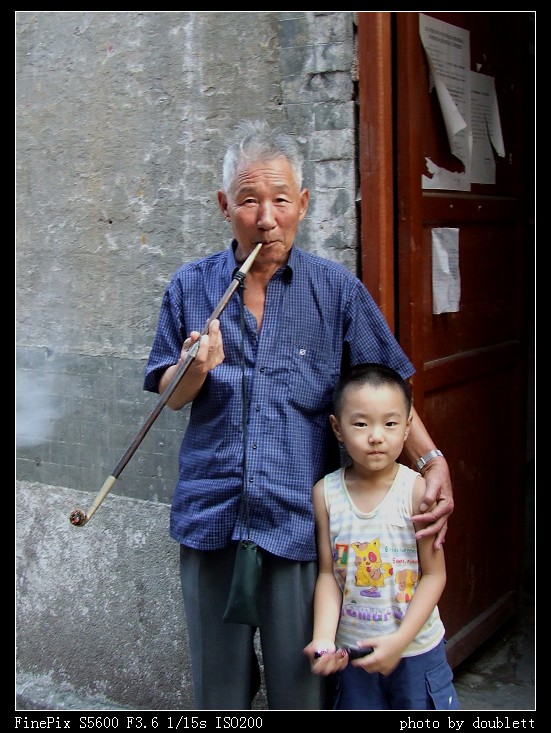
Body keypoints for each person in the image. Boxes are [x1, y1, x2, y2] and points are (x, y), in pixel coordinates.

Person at [143, 119, 454, 710]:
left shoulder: (334, 289)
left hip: (299, 529)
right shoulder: (192, 286)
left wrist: (433, 459)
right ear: (223, 205)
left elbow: (389, 389)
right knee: (219, 693)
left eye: (281, 200)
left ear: (303, 204)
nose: (266, 218)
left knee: (300, 692)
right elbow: (169, 395)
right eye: (249, 201)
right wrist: (194, 367)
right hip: (213, 520)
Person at [303, 363, 459, 710]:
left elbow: (435, 575)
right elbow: (330, 575)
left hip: (416, 652)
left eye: (390, 424)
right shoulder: (325, 494)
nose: (376, 436)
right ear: (337, 428)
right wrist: (324, 638)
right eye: (361, 423)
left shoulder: (416, 491)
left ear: (407, 429)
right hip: (356, 657)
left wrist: (400, 641)